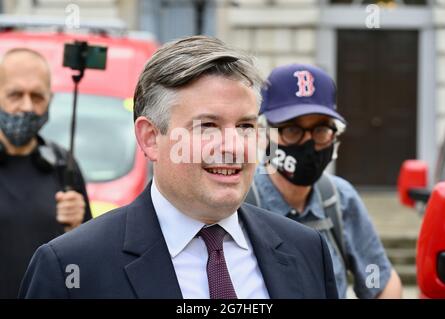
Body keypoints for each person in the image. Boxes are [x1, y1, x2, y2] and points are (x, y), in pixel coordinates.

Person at [19, 36, 338, 299]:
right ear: (150, 138)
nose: (233, 146)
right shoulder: (70, 267)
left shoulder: (307, 250)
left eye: (245, 126)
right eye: (208, 126)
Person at [252, 63, 403, 298]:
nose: (309, 144)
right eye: (292, 130)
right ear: (263, 133)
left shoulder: (339, 199)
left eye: (321, 130)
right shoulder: (240, 200)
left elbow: (379, 280)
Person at [0, 48, 91, 298]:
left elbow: (87, 264)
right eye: (15, 95)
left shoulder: (63, 165)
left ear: (49, 100)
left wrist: (76, 229)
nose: (27, 107)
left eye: (37, 97)